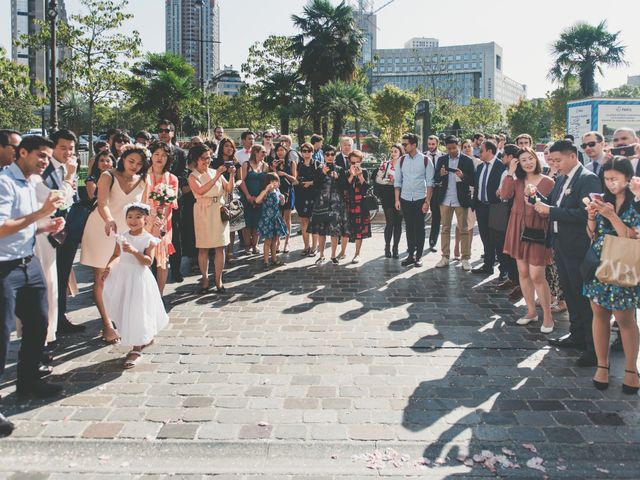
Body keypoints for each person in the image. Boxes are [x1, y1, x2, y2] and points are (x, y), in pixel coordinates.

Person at [1, 136, 67, 430]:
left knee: (39, 323)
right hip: (4, 268)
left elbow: (24, 223)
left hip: (29, 263)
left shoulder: (30, 183)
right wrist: (40, 214)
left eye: (47, 158)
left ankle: (27, 384)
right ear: (22, 152)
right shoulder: (5, 182)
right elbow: (2, 227)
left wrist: (46, 226)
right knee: (2, 336)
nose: (44, 162)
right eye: (40, 156)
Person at [533, 140, 602, 367]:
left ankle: (593, 348)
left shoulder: (587, 178)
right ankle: (576, 334)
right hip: (560, 244)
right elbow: (553, 206)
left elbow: (586, 215)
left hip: (578, 247)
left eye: (558, 160)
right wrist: (535, 199)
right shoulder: (561, 179)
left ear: (572, 156)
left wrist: (551, 210)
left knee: (583, 297)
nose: (555, 165)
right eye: (551, 161)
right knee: (570, 294)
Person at [80, 146, 150, 344]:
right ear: (123, 159)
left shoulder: (144, 180)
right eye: (131, 161)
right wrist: (110, 220)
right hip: (102, 229)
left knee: (124, 278)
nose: (135, 166)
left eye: (139, 163)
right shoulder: (107, 176)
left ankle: (122, 318)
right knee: (102, 277)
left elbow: (145, 209)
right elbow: (101, 204)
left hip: (128, 234)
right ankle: (107, 324)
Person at [584, 157, 640, 394]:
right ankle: (602, 365)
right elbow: (591, 234)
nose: (610, 184)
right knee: (599, 314)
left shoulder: (636, 203)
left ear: (628, 179)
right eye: (607, 179)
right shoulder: (603, 199)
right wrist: (592, 215)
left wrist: (612, 217)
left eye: (615, 179)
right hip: (598, 262)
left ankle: (630, 370)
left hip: (623, 263)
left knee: (625, 319)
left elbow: (631, 238)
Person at [102, 203, 169, 369]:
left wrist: (133, 251)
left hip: (138, 278)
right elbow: (117, 254)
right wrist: (109, 266)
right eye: (130, 217)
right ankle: (142, 336)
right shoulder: (122, 236)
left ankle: (136, 349)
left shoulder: (148, 239)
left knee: (137, 310)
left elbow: (148, 261)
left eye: (138, 217)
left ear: (145, 220)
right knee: (124, 308)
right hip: (123, 277)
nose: (133, 220)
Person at [501, 147, 555, 333]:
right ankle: (531, 312)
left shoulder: (548, 181)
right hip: (517, 228)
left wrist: (534, 199)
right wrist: (510, 171)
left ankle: (548, 316)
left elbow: (549, 209)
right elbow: (505, 195)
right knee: (523, 272)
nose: (528, 162)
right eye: (523, 160)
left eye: (530, 158)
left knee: (537, 275)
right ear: (519, 163)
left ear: (536, 159)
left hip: (537, 230)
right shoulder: (517, 181)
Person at [43, 130, 85, 335]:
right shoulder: (47, 170)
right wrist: (68, 177)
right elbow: (58, 200)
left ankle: (60, 318)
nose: (68, 152)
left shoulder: (70, 167)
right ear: (53, 147)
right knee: (52, 279)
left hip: (68, 230)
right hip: (48, 234)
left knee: (62, 275)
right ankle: (50, 323)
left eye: (71, 148)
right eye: (63, 148)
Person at [188, 144, 234, 293]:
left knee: (220, 246)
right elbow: (201, 191)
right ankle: (205, 278)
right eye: (204, 158)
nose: (207, 161)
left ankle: (218, 279)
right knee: (204, 248)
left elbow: (229, 189)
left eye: (209, 158)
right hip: (203, 211)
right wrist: (216, 176)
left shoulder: (216, 172)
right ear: (196, 159)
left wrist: (232, 174)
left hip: (218, 210)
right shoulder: (193, 176)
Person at [433, 136, 476, 271]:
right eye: (449, 148)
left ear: (458, 146)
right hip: (445, 198)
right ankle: (445, 257)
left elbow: (474, 181)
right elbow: (435, 178)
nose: (452, 151)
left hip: (461, 199)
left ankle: (465, 258)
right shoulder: (442, 159)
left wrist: (463, 177)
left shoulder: (467, 160)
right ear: (446, 147)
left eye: (454, 148)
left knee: (464, 229)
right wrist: (440, 174)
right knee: (445, 228)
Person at [394, 134, 434, 267]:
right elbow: (397, 181)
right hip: (405, 198)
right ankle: (410, 255)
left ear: (414, 145)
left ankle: (419, 256)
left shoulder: (426, 160)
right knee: (409, 228)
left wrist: (427, 201)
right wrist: (397, 200)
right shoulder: (401, 160)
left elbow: (430, 183)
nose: (403, 146)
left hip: (419, 198)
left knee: (419, 228)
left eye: (405, 144)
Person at [146, 141, 179, 295]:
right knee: (145, 258)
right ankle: (145, 294)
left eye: (164, 155)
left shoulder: (172, 178)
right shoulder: (143, 176)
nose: (160, 158)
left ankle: (159, 295)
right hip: (144, 221)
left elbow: (170, 203)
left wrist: (159, 222)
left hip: (164, 222)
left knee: (162, 260)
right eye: (157, 154)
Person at [158, 120, 188, 283]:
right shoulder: (151, 151)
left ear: (172, 133)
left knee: (175, 235)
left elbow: (183, 174)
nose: (163, 133)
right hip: (154, 200)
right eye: (161, 130)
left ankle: (175, 270)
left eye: (166, 130)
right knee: (155, 234)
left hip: (174, 199)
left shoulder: (180, 153)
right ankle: (156, 269)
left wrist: (170, 188)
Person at [309, 145, 350, 264]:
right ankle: (321, 255)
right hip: (321, 203)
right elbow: (315, 185)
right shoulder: (319, 168)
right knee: (321, 230)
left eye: (332, 154)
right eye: (327, 155)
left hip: (336, 204)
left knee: (335, 230)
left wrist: (338, 178)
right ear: (324, 156)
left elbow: (345, 187)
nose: (330, 157)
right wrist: (322, 173)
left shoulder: (340, 169)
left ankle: (333, 256)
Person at [473, 140, 507, 274]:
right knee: (485, 238)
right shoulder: (480, 167)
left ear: (490, 151)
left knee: (498, 239)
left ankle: (503, 269)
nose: (479, 153)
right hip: (481, 206)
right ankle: (488, 265)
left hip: (496, 208)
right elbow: (477, 185)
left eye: (481, 150)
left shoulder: (501, 166)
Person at [214, 137, 243, 261]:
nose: (229, 148)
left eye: (231, 146)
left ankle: (230, 252)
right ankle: (218, 252)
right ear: (221, 147)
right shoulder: (215, 162)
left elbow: (241, 179)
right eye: (226, 146)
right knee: (218, 224)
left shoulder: (236, 163)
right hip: (219, 195)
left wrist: (235, 184)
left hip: (232, 195)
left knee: (232, 224)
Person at [239, 145, 269, 255]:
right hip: (247, 196)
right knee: (247, 223)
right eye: (262, 152)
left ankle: (255, 244)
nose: (264, 154)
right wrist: (247, 195)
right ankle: (247, 246)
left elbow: (267, 182)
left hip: (260, 198)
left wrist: (261, 196)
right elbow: (241, 181)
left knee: (257, 222)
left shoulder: (265, 165)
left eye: (265, 152)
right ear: (255, 152)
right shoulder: (246, 165)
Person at [375, 143, 403, 258]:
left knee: (398, 224)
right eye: (392, 151)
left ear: (400, 152)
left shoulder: (404, 164)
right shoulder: (385, 164)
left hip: (401, 195)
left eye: (395, 151)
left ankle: (395, 247)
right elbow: (378, 179)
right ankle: (387, 247)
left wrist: (397, 183)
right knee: (389, 223)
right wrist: (388, 181)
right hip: (387, 195)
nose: (393, 153)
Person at [256, 172, 288, 269]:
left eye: (276, 181)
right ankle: (266, 261)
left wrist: (283, 199)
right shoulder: (265, 192)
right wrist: (266, 189)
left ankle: (274, 259)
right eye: (272, 181)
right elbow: (257, 200)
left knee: (275, 240)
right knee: (268, 241)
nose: (274, 183)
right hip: (267, 219)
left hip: (276, 218)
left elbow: (281, 204)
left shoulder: (277, 191)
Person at [344, 150, 371, 263]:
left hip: (361, 204)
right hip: (349, 203)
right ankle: (342, 252)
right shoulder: (347, 172)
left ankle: (357, 253)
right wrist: (351, 175)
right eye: (352, 162)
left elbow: (366, 187)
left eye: (357, 162)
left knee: (360, 230)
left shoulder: (364, 172)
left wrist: (359, 175)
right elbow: (345, 187)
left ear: (361, 161)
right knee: (346, 229)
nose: (355, 164)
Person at [270, 143, 297, 253]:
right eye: (278, 150)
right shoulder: (273, 163)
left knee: (287, 219)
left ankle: (287, 242)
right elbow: (271, 179)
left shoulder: (291, 163)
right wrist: (275, 169)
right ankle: (278, 242)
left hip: (288, 192)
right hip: (277, 192)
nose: (280, 152)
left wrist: (284, 174)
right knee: (277, 218)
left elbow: (294, 179)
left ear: (286, 151)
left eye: (282, 150)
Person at [456, 139, 480, 259]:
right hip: (460, 193)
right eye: (464, 146)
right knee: (459, 224)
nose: (467, 148)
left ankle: (467, 250)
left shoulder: (478, 162)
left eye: (469, 146)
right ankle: (456, 247)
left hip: (473, 195)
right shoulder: (459, 162)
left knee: (470, 223)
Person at [295, 142, 320, 256]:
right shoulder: (298, 165)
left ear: (312, 152)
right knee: (304, 222)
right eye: (304, 151)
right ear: (301, 152)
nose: (306, 153)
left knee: (314, 222)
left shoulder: (317, 164)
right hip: (301, 195)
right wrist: (301, 183)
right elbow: (294, 179)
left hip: (314, 195)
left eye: (309, 151)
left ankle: (314, 247)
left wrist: (311, 183)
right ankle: (306, 246)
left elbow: (322, 180)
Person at [425, 135, 444, 252]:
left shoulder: (442, 156)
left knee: (436, 216)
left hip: (438, 190)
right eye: (429, 144)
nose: (431, 146)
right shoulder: (423, 156)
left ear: (437, 144)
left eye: (433, 144)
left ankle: (433, 242)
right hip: (426, 189)